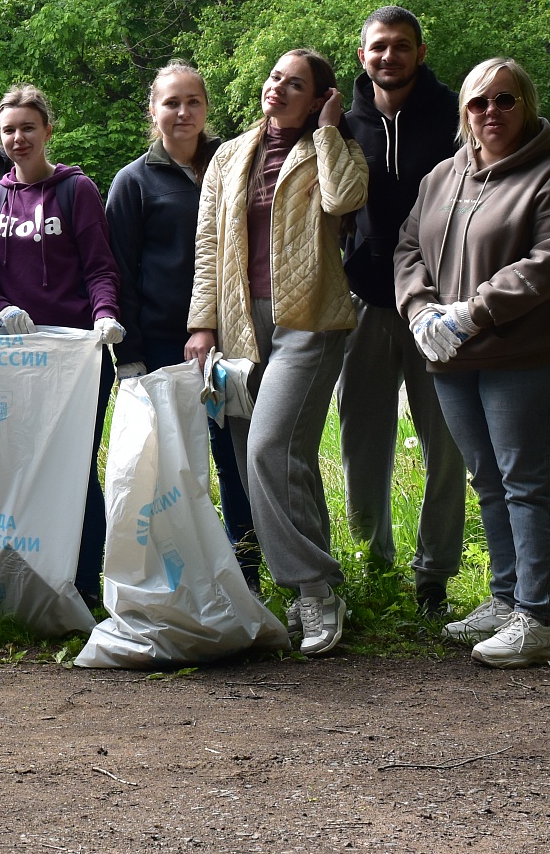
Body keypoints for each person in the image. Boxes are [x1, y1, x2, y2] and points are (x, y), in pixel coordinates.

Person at [397, 58, 550, 668]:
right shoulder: (441, 178)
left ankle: (536, 617)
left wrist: (469, 314)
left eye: (506, 100)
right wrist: (421, 312)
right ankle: (505, 599)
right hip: (452, 360)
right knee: (486, 482)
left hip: (526, 357)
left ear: (526, 106)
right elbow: (408, 248)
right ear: (464, 113)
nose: (492, 113)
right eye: (479, 103)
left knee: (526, 483)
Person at [187, 49, 367, 656]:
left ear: (318, 97)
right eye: (274, 79)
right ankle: (310, 588)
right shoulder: (229, 155)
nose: (277, 89)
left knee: (270, 447)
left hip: (310, 318)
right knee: (258, 456)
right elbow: (209, 244)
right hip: (242, 323)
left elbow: (344, 201)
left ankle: (313, 588)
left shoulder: (332, 149)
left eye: (295, 85)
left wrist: (328, 131)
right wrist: (203, 325)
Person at [338, 7, 467, 617]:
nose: (389, 56)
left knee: (446, 443)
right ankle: (374, 559)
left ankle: (434, 574)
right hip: (364, 300)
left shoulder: (454, 115)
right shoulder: (341, 123)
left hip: (439, 305)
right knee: (363, 440)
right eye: (379, 47)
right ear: (362, 55)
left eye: (401, 46)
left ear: (420, 51)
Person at [106, 63, 256, 580]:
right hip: (164, 348)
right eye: (172, 102)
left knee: (237, 464)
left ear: (207, 108)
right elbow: (118, 270)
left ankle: (248, 576)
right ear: (153, 110)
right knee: (172, 471)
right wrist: (130, 356)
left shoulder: (236, 164)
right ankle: (184, 580)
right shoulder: (133, 182)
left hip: (233, 343)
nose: (183, 112)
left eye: (193, 101)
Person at [0, 84, 123, 604]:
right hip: (14, 357)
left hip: (74, 359)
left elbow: (100, 266)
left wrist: (105, 316)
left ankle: (84, 588)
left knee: (76, 470)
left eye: (28, 128)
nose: (19, 138)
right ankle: (28, 584)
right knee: (20, 469)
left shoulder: (76, 190)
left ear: (47, 131)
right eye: (10, 129)